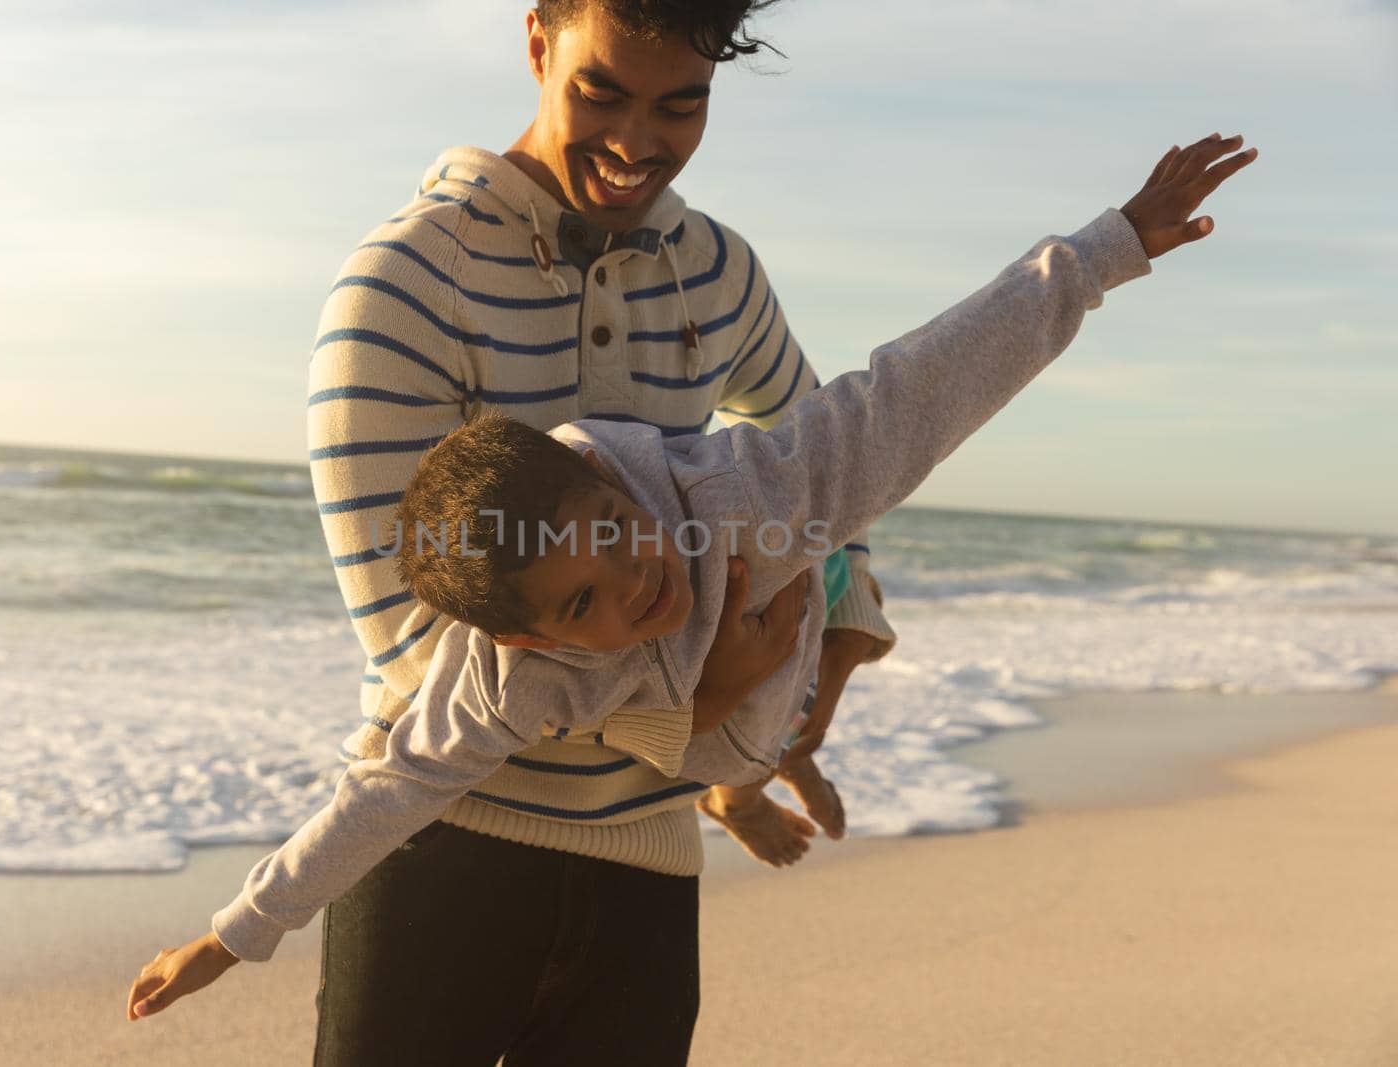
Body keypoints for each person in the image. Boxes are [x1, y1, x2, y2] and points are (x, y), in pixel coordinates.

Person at [125, 122, 1259, 1065]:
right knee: (709, 719)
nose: (639, 580)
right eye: (584, 604)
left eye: (617, 531)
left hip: (769, 646)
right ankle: (733, 773)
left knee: (830, 555)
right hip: (679, 740)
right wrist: (229, 937)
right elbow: (381, 793)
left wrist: (1108, 246)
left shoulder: (736, 492)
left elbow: (918, 389)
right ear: (525, 634)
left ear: (611, 484)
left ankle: (751, 766)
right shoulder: (506, 679)